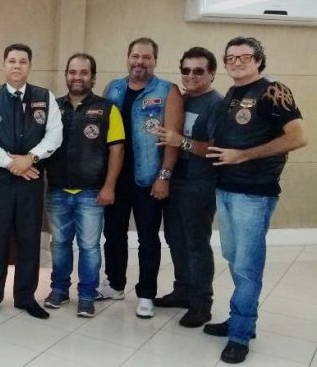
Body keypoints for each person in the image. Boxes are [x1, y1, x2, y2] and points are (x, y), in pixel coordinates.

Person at [203, 37, 306, 364]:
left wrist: (243, 155)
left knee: (247, 266)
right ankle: (242, 319)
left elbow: (298, 137)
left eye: (244, 57)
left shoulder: (273, 91)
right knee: (234, 258)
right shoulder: (232, 95)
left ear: (259, 60)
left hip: (254, 193)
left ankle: (240, 334)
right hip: (226, 189)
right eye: (230, 57)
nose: (236, 62)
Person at [0, 43, 62, 320]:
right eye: (11, 61)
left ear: (29, 66)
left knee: (28, 239)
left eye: (22, 61)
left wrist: (31, 158)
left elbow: (55, 134)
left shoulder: (45, 97)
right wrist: (11, 163)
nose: (16, 66)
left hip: (31, 180)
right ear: (3, 65)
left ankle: (25, 297)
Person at [100, 37, 184, 319]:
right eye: (135, 56)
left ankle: (146, 293)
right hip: (115, 176)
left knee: (148, 238)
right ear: (128, 57)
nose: (140, 62)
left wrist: (164, 176)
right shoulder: (113, 88)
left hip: (149, 178)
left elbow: (172, 139)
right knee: (113, 234)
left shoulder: (167, 91)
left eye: (147, 57)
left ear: (155, 61)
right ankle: (115, 284)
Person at [43, 53, 124, 318]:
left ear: (93, 77)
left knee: (89, 247)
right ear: (66, 75)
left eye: (83, 72)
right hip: (58, 189)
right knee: (59, 244)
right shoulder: (53, 107)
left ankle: (87, 295)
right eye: (72, 72)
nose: (77, 77)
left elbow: (117, 151)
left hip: (92, 192)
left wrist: (109, 186)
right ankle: (59, 290)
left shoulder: (108, 109)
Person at [153, 47, 223, 328]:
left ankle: (201, 304)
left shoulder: (216, 104)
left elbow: (217, 150)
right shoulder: (180, 99)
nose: (191, 75)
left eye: (198, 71)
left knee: (196, 244)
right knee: (175, 238)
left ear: (211, 74)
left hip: (199, 184)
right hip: (175, 180)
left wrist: (180, 141)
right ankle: (182, 291)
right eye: (186, 70)